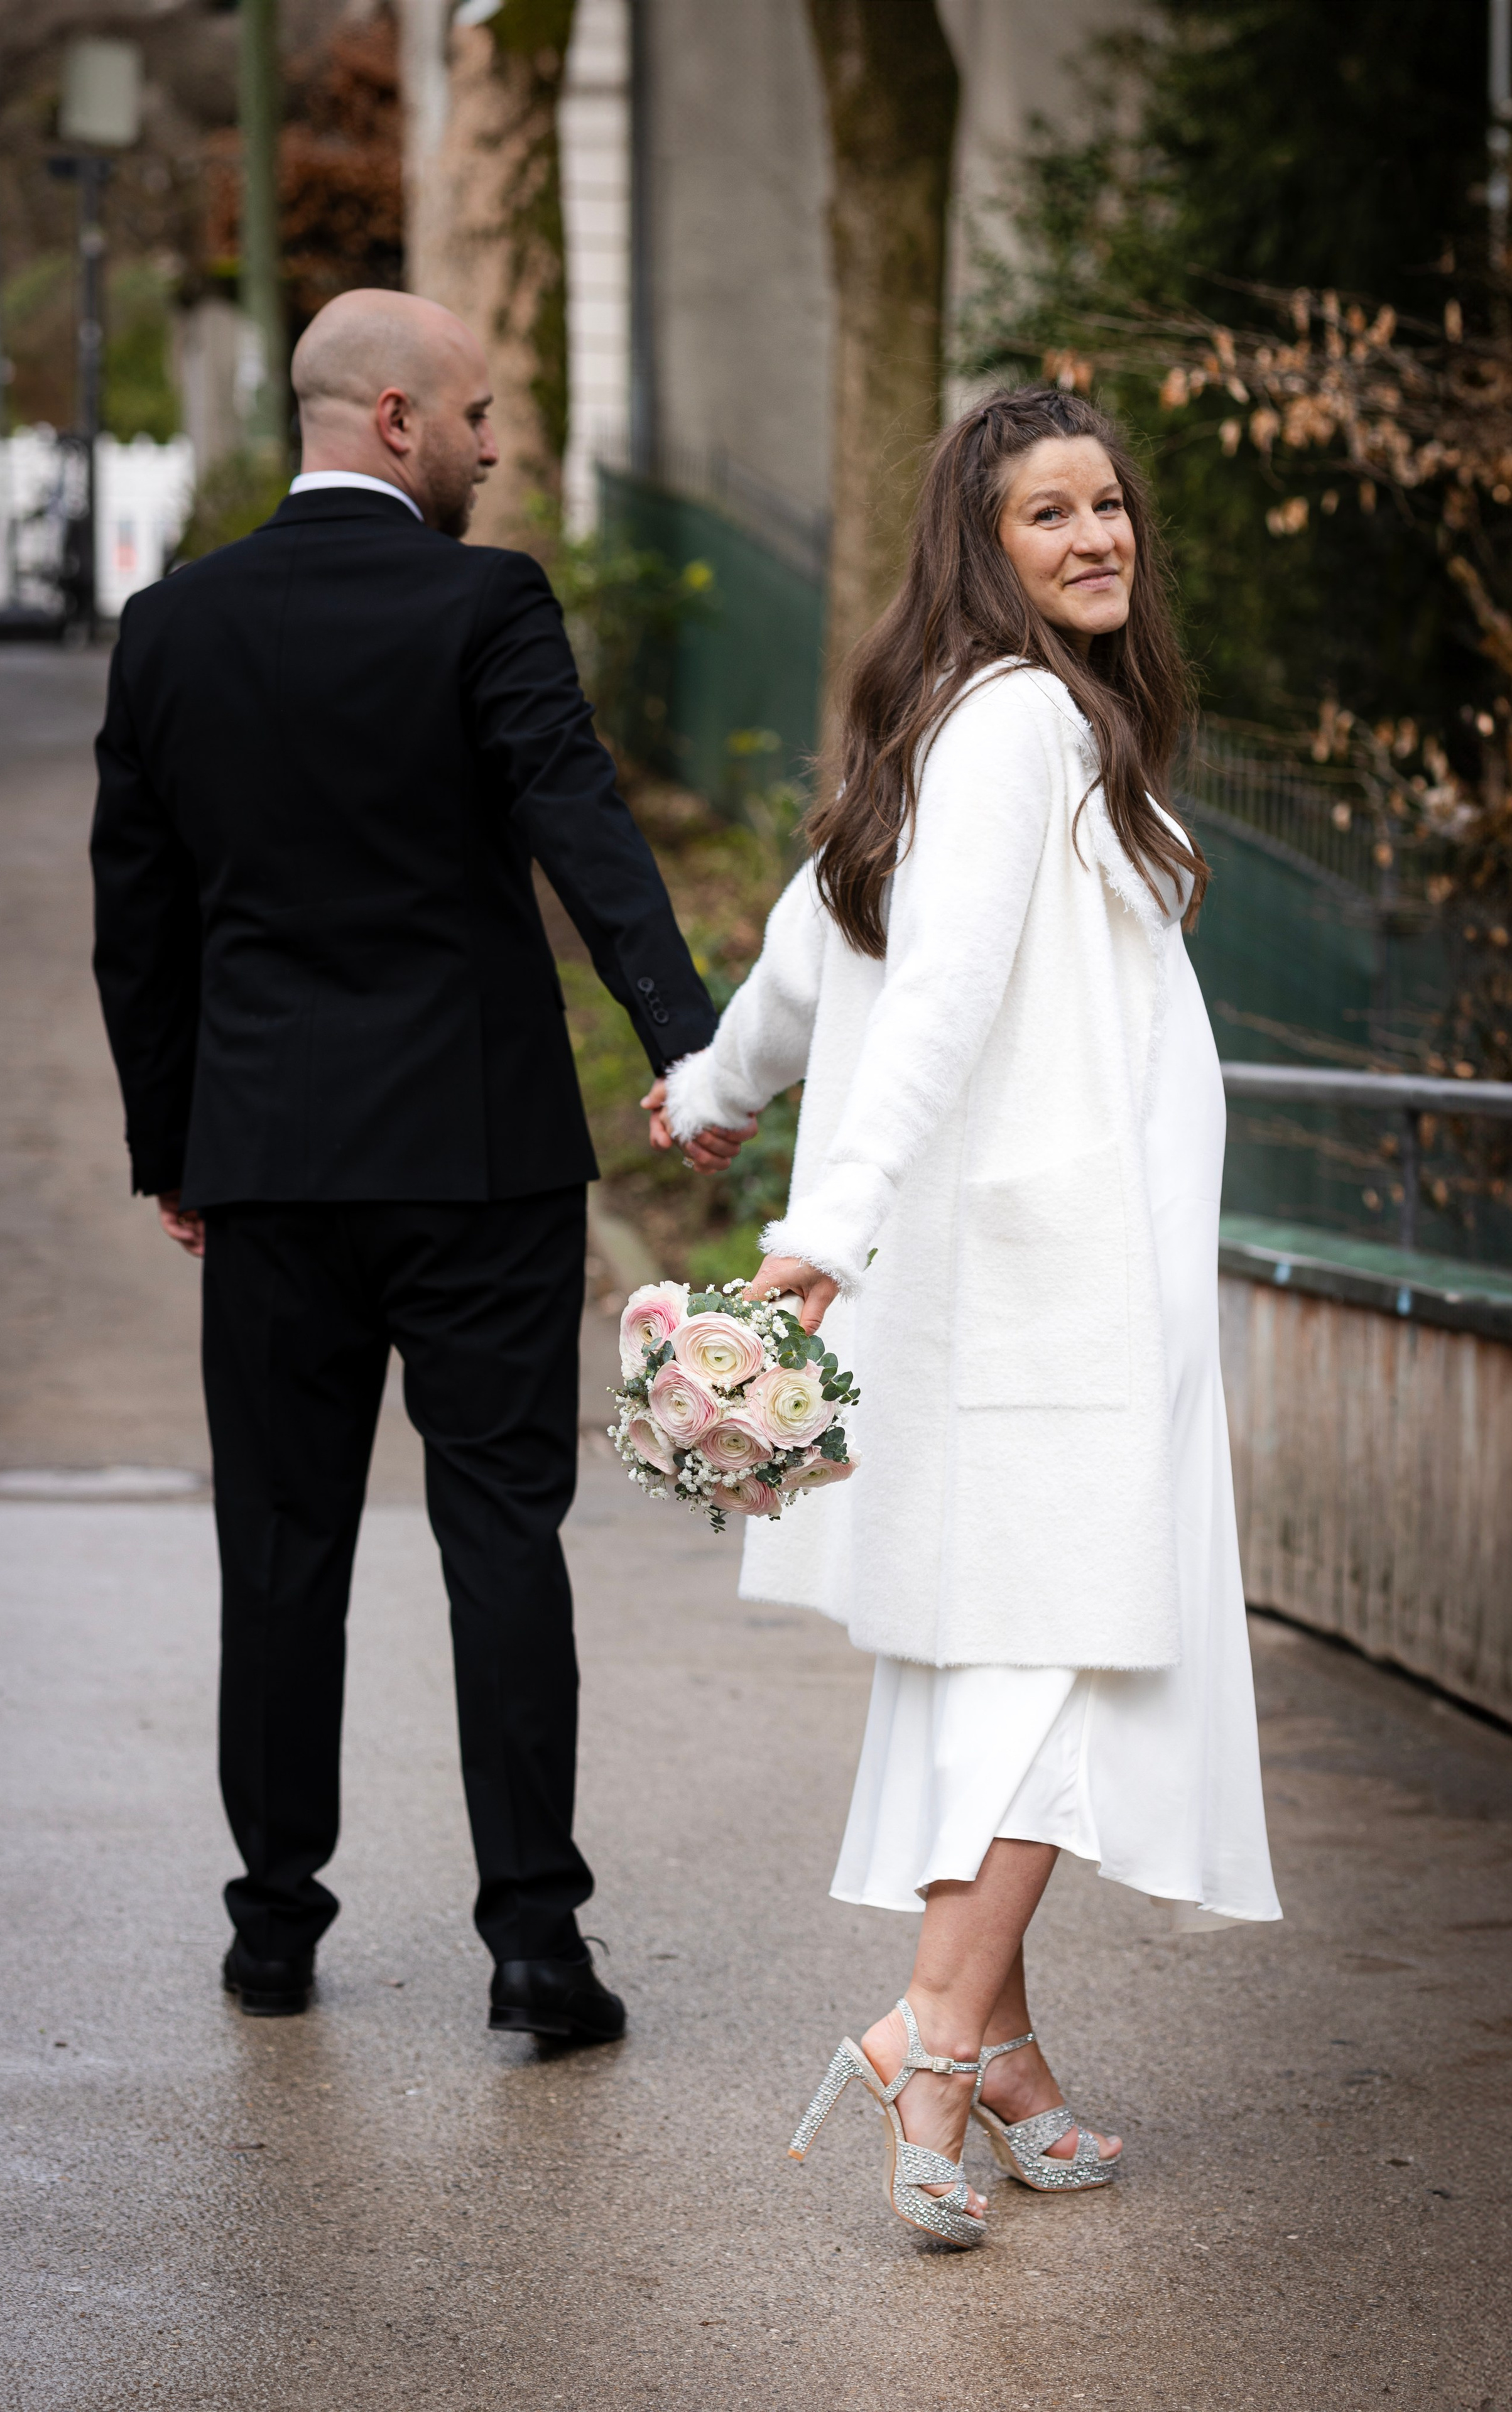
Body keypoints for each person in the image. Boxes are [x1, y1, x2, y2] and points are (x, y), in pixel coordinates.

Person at [649, 386, 1280, 2246]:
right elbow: (932, 995)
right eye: (1046, 515)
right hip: (1054, 1291)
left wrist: (709, 1090)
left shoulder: (953, 727)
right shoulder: (1019, 728)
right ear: (979, 546)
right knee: (1062, 1660)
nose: (1097, 538)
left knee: (994, 1668)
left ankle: (999, 2060)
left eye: (1111, 507)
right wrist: (821, 1223)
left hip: (1016, 1290)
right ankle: (928, 2035)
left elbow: (802, 950)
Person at [91, 288, 722, 2038]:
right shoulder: (483, 604)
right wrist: (696, 1047)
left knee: (282, 1545)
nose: (494, 445)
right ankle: (534, 1944)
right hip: (481, 1160)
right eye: (478, 415)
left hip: (273, 1163)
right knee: (502, 1534)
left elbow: (134, 929)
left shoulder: (171, 628)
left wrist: (179, 1150)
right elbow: (577, 823)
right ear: (393, 420)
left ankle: (274, 1927)